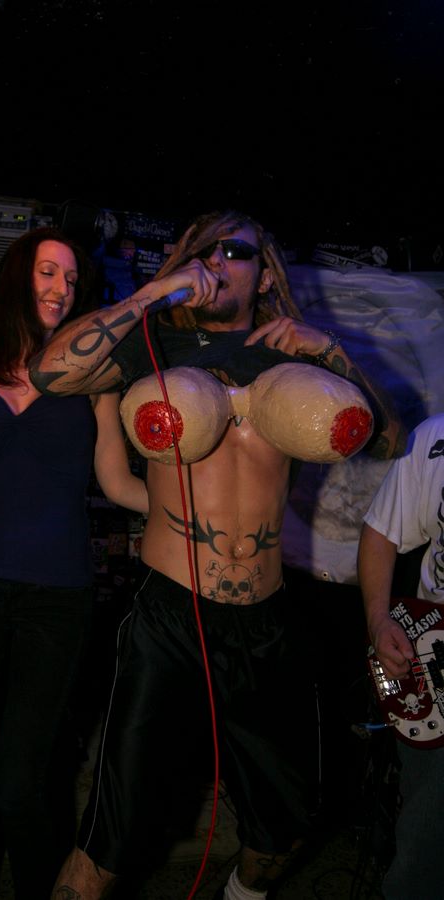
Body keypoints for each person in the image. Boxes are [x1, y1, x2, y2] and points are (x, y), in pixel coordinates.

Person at [29, 209, 404, 900]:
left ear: (265, 276)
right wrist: (152, 294)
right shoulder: (153, 345)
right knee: (107, 845)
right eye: (203, 251)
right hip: (170, 619)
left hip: (266, 621)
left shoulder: (292, 356)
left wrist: (327, 348)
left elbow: (387, 441)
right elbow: (50, 373)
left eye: (236, 252)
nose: (218, 262)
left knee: (285, 829)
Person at [0, 226, 148, 899]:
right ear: (16, 277)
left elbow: (117, 484)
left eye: (72, 280)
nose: (61, 289)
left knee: (18, 784)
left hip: (55, 597)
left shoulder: (95, 380)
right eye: (48, 272)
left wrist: (199, 515)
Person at [358, 413, 444, 900]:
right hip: (437, 670)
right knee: (425, 849)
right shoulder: (435, 437)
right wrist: (379, 621)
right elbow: (381, 533)